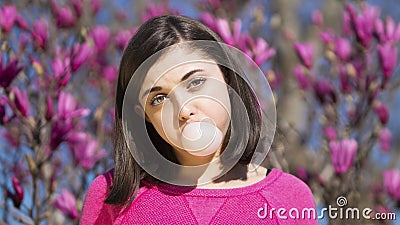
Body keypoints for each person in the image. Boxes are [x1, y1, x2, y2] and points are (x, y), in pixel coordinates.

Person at [80, 14, 317, 224]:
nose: (183, 109)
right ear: (144, 116)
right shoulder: (112, 196)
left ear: (226, 78)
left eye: (195, 82)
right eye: (159, 98)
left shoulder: (288, 196)